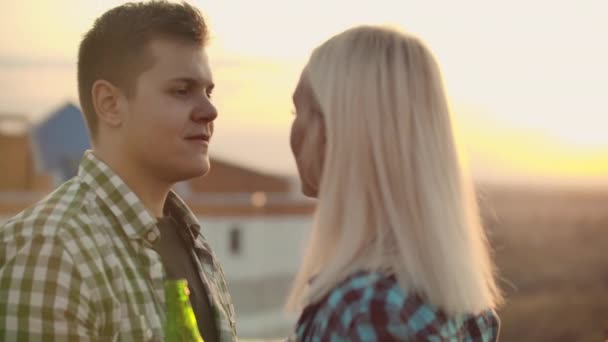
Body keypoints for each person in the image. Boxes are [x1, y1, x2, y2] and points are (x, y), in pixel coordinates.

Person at [0, 1, 236, 341]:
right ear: (110, 104)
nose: (210, 111)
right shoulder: (55, 249)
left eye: (208, 92)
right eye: (181, 91)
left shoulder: (193, 242)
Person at [286, 26, 502, 341]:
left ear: (334, 130)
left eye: (297, 110)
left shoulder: (365, 310)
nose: (294, 130)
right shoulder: (464, 302)